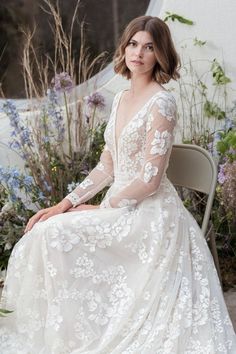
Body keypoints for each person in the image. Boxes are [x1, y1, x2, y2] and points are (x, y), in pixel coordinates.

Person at [0, 15, 235, 354]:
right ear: (124, 49)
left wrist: (102, 206)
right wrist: (65, 204)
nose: (138, 53)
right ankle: (68, 333)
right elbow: (107, 166)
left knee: (55, 235)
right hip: (120, 204)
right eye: (133, 44)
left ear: (161, 55)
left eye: (150, 47)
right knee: (45, 228)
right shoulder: (123, 98)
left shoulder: (162, 102)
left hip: (149, 214)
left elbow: (150, 181)